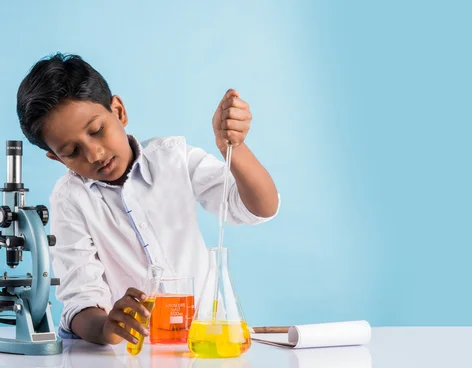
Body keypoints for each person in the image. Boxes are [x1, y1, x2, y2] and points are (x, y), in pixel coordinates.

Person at [16, 53, 280, 345]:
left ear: (118, 111)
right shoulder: (71, 200)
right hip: (136, 352)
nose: (94, 154)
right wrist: (106, 327)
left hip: (204, 343)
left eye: (96, 130)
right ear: (56, 158)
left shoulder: (174, 159)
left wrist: (236, 148)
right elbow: (80, 302)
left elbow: (260, 208)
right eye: (71, 151)